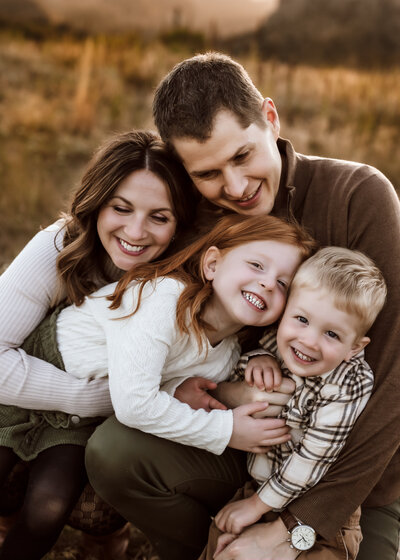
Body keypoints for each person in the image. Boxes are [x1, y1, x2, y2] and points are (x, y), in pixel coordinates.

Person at [85, 52, 400, 560]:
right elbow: (133, 292)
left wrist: (298, 526)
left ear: (270, 119)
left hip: (356, 475)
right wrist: (194, 388)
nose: (234, 188)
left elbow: (392, 375)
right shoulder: (198, 222)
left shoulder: (357, 196)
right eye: (207, 173)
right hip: (248, 447)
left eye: (242, 156)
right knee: (116, 451)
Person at [0, 214, 315, 560]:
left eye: (284, 284)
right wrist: (226, 430)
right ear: (212, 264)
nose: (269, 283)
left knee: (47, 507)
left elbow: (161, 383)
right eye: (256, 265)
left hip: (77, 424)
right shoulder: (165, 296)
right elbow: (135, 403)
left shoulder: (227, 358)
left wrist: (258, 358)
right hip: (35, 377)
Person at [0, 129, 199, 559]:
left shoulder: (180, 281)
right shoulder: (63, 244)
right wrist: (90, 398)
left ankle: (104, 538)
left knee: (50, 505)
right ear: (97, 203)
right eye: (121, 208)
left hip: (87, 430)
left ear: (180, 222)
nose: (136, 231)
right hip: (27, 392)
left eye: (159, 217)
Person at [200, 246, 387, 559]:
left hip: (321, 510)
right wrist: (257, 360)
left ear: (355, 347)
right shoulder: (278, 344)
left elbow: (314, 457)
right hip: (259, 487)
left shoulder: (348, 384)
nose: (309, 341)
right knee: (222, 542)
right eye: (301, 319)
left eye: (332, 334)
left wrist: (256, 507)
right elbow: (250, 358)